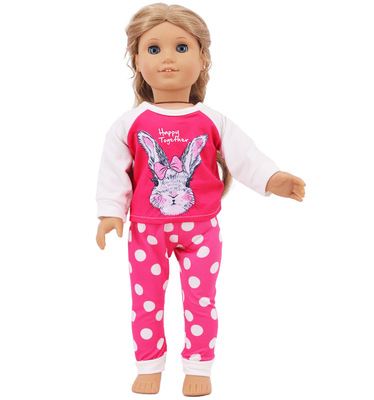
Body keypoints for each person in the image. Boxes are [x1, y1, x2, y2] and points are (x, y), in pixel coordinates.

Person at [96, 3, 306, 396]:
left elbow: (245, 157)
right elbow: (113, 172)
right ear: (137, 60)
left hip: (202, 228)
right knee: (146, 300)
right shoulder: (129, 123)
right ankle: (149, 364)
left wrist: (272, 178)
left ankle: (198, 365)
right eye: (153, 49)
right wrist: (110, 213)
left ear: (203, 58)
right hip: (146, 230)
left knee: (201, 299)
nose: (168, 58)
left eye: (181, 47)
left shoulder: (212, 119)